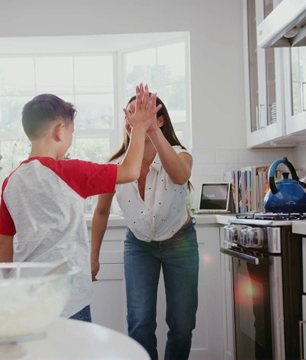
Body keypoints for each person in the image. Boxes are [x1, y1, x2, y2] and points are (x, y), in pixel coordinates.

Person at [0, 84, 161, 322]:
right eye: (71, 133)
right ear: (60, 131)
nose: (70, 140)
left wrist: (10, 277)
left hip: (27, 295)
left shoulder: (10, 181)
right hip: (69, 296)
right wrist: (138, 127)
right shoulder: (70, 172)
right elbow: (130, 171)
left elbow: (4, 239)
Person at [90, 94, 198, 360]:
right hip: (139, 245)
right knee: (140, 323)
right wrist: (93, 256)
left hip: (180, 243)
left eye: (144, 114)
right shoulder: (115, 167)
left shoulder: (181, 155)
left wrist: (151, 131)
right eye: (130, 114)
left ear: (160, 120)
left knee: (182, 325)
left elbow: (181, 175)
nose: (134, 119)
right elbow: (101, 211)